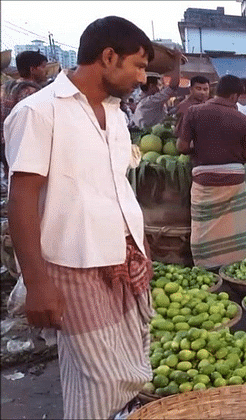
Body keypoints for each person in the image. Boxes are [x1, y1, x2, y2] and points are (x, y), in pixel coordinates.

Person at [4, 16, 156, 419]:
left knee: (128, 364)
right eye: (138, 65)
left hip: (122, 260)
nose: (142, 77)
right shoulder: (39, 112)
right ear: (108, 57)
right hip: (75, 264)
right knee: (104, 377)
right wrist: (36, 283)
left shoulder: (117, 116)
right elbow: (20, 199)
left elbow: (113, 187)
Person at [177, 75, 246, 268]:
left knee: (203, 226)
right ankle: (235, 265)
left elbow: (181, 147)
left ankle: (206, 265)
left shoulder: (194, 112)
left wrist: (198, 148)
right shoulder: (242, 119)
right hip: (234, 179)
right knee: (234, 227)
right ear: (234, 96)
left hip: (204, 178)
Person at [1, 51, 49, 178]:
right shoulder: (31, 93)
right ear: (33, 69)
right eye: (43, 67)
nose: (46, 71)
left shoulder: (7, 87)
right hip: (22, 147)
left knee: (11, 179)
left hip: (5, 143)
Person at [132, 58, 180, 128]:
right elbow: (173, 86)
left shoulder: (144, 101)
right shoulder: (151, 101)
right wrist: (177, 59)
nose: (161, 88)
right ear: (152, 86)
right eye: (160, 85)